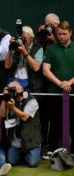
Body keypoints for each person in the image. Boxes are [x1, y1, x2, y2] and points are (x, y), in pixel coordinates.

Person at [43, 21, 74, 152]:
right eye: (59, 34)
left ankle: (72, 152)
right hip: (54, 93)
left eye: (64, 34)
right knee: (55, 122)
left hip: (72, 93)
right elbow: (45, 70)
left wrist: (69, 83)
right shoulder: (51, 48)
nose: (61, 36)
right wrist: (60, 83)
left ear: (70, 33)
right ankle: (53, 150)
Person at [0, 81, 41, 167]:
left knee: (32, 163)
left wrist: (12, 108)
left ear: (21, 89)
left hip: (30, 140)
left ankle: (32, 150)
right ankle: (22, 153)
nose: (13, 92)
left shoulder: (32, 100)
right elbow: (2, 114)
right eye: (11, 90)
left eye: (14, 89)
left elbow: (25, 117)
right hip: (16, 141)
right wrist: (4, 98)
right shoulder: (10, 100)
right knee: (11, 161)